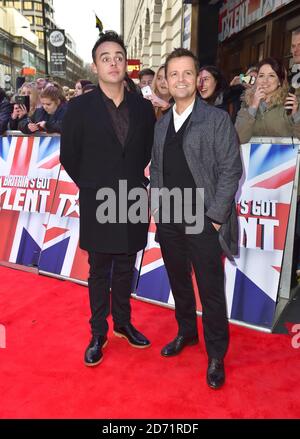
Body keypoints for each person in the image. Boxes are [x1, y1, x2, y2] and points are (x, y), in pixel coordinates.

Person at [60, 31, 155, 367]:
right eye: (106, 57)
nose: (113, 62)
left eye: (118, 57)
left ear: (125, 63)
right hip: (97, 199)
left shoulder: (143, 108)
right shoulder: (79, 107)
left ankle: (124, 323)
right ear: (95, 65)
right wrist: (92, 186)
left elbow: (144, 151)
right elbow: (69, 155)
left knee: (126, 266)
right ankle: (98, 331)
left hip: (130, 198)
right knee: (99, 268)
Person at [150, 48, 242, 389]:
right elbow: (157, 169)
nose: (181, 80)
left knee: (211, 289)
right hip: (170, 216)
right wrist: (158, 207)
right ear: (167, 81)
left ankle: (216, 354)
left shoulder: (216, 120)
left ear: (198, 78)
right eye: (174, 74)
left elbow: (231, 171)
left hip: (204, 218)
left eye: (188, 73)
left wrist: (216, 218)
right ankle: (187, 332)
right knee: (179, 281)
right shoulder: (161, 125)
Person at [235, 57, 300, 144]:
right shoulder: (246, 103)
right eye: (261, 76)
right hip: (254, 157)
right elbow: (238, 139)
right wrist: (253, 106)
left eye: (271, 75)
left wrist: (296, 115)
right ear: (256, 80)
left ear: (280, 81)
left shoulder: (291, 102)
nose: (265, 81)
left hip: (286, 156)